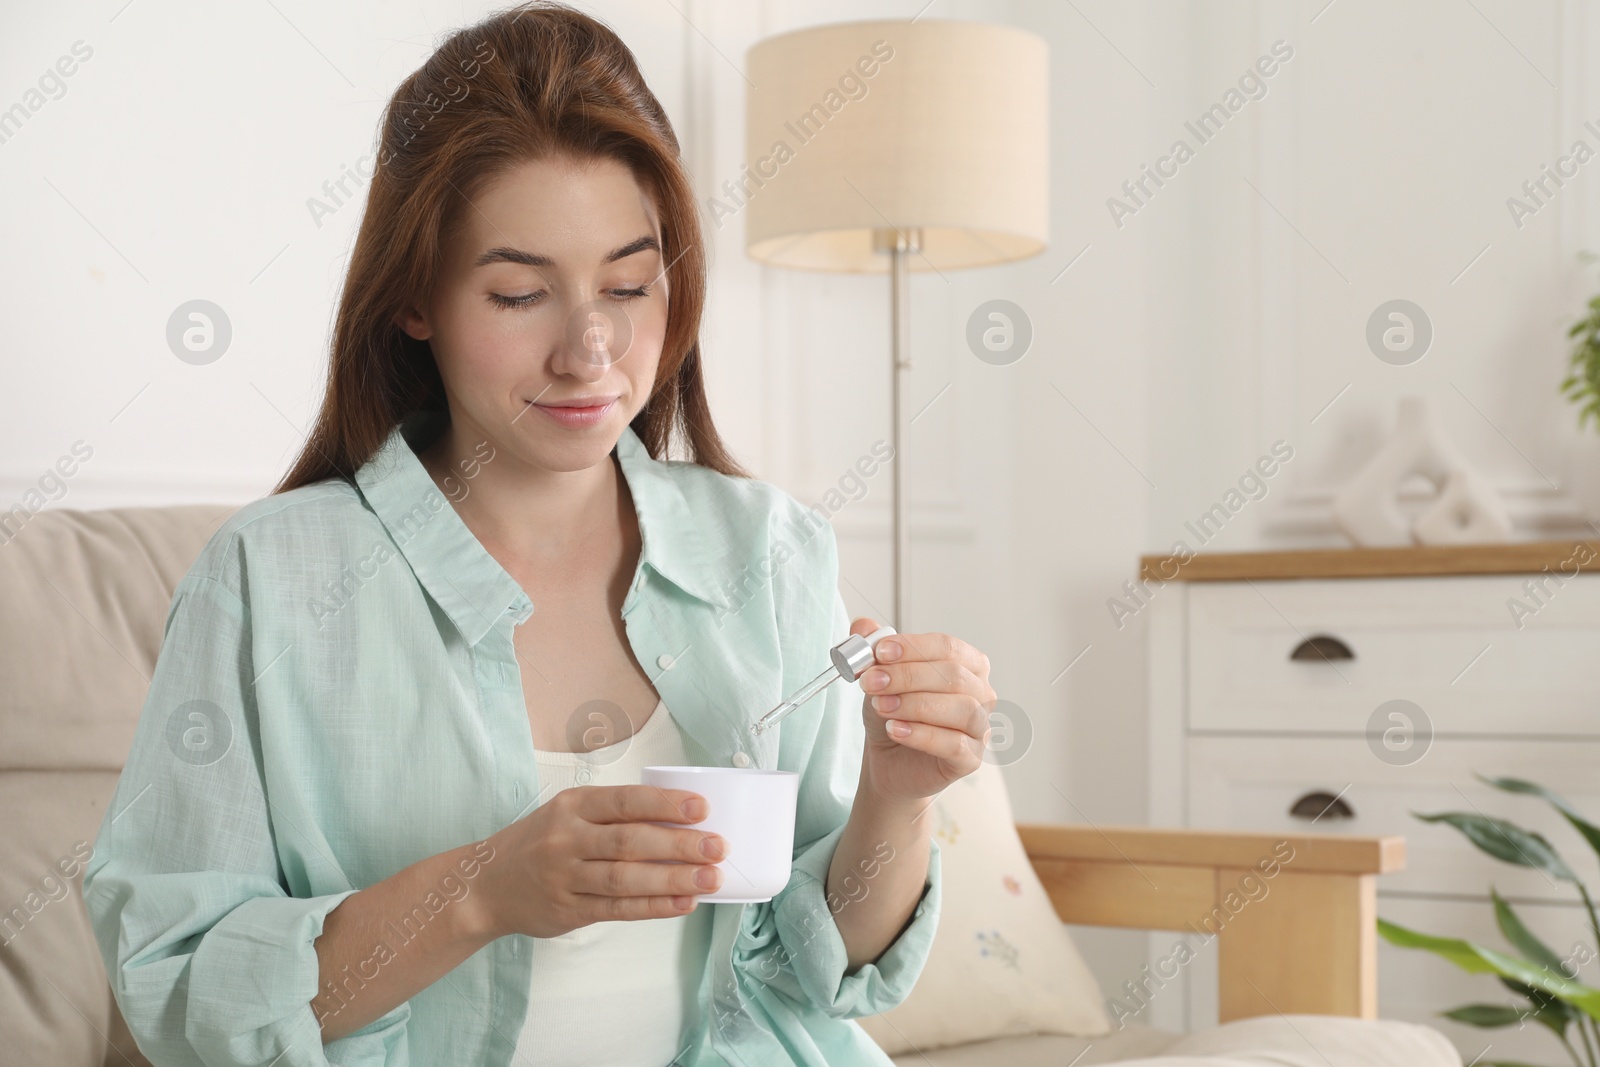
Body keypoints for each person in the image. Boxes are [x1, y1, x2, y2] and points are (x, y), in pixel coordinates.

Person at [83, 3, 995, 1064]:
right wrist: (478, 892)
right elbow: (186, 991)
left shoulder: (772, 552)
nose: (590, 350)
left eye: (627, 283)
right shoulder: (270, 582)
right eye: (520, 292)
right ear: (415, 294)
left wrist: (897, 794)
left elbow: (814, 973)